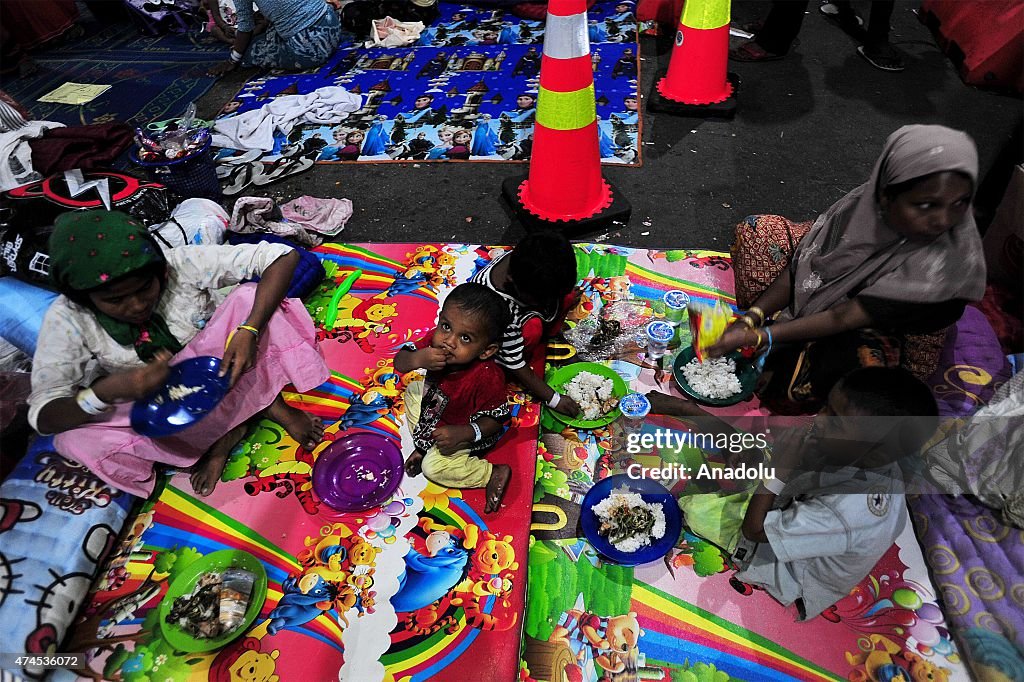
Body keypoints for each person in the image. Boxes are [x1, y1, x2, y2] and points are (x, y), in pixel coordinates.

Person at [28, 210, 329, 498]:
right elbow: (43, 414)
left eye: (145, 288)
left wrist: (249, 330)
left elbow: (281, 256)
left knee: (249, 299)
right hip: (151, 398)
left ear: (157, 269)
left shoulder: (178, 264)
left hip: (222, 367)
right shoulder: (68, 318)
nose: (135, 305)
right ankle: (221, 437)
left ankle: (269, 408)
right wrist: (103, 394)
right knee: (73, 440)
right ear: (85, 297)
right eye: (114, 300)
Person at [711, 124, 985, 413]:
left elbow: (844, 318)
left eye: (959, 203)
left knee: (808, 387)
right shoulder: (860, 205)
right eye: (926, 205)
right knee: (761, 235)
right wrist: (753, 316)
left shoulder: (940, 268)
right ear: (885, 195)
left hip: (886, 327)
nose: (944, 220)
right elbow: (805, 261)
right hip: (838, 297)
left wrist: (762, 336)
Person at [649, 366, 939, 621]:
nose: (819, 420)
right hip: (797, 501)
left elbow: (754, 530)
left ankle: (698, 419)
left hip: (782, 566)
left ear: (878, 454)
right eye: (827, 407)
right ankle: (692, 411)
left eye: (835, 421)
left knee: (693, 511)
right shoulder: (868, 453)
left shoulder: (849, 513)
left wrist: (777, 475)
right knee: (751, 448)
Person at [396, 283, 513, 513]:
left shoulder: (487, 376)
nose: (449, 341)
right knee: (412, 390)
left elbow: (497, 420)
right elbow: (400, 362)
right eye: (446, 326)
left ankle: (492, 473)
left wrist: (466, 432)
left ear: (486, 351)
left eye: (466, 338)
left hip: (466, 431)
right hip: (437, 410)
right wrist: (418, 358)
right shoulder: (434, 341)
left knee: (432, 468)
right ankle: (423, 446)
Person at [469, 232, 582, 417]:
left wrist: (561, 296)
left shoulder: (523, 260)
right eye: (542, 299)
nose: (549, 302)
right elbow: (515, 364)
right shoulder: (498, 311)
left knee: (567, 295)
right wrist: (554, 399)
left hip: (527, 306)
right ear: (512, 281)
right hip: (498, 341)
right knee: (532, 330)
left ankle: (551, 324)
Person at [208, 0, 343, 75]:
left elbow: (246, 27)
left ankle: (240, 53)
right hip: (332, 24)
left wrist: (233, 60)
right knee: (266, 33)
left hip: (311, 51)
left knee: (248, 52)